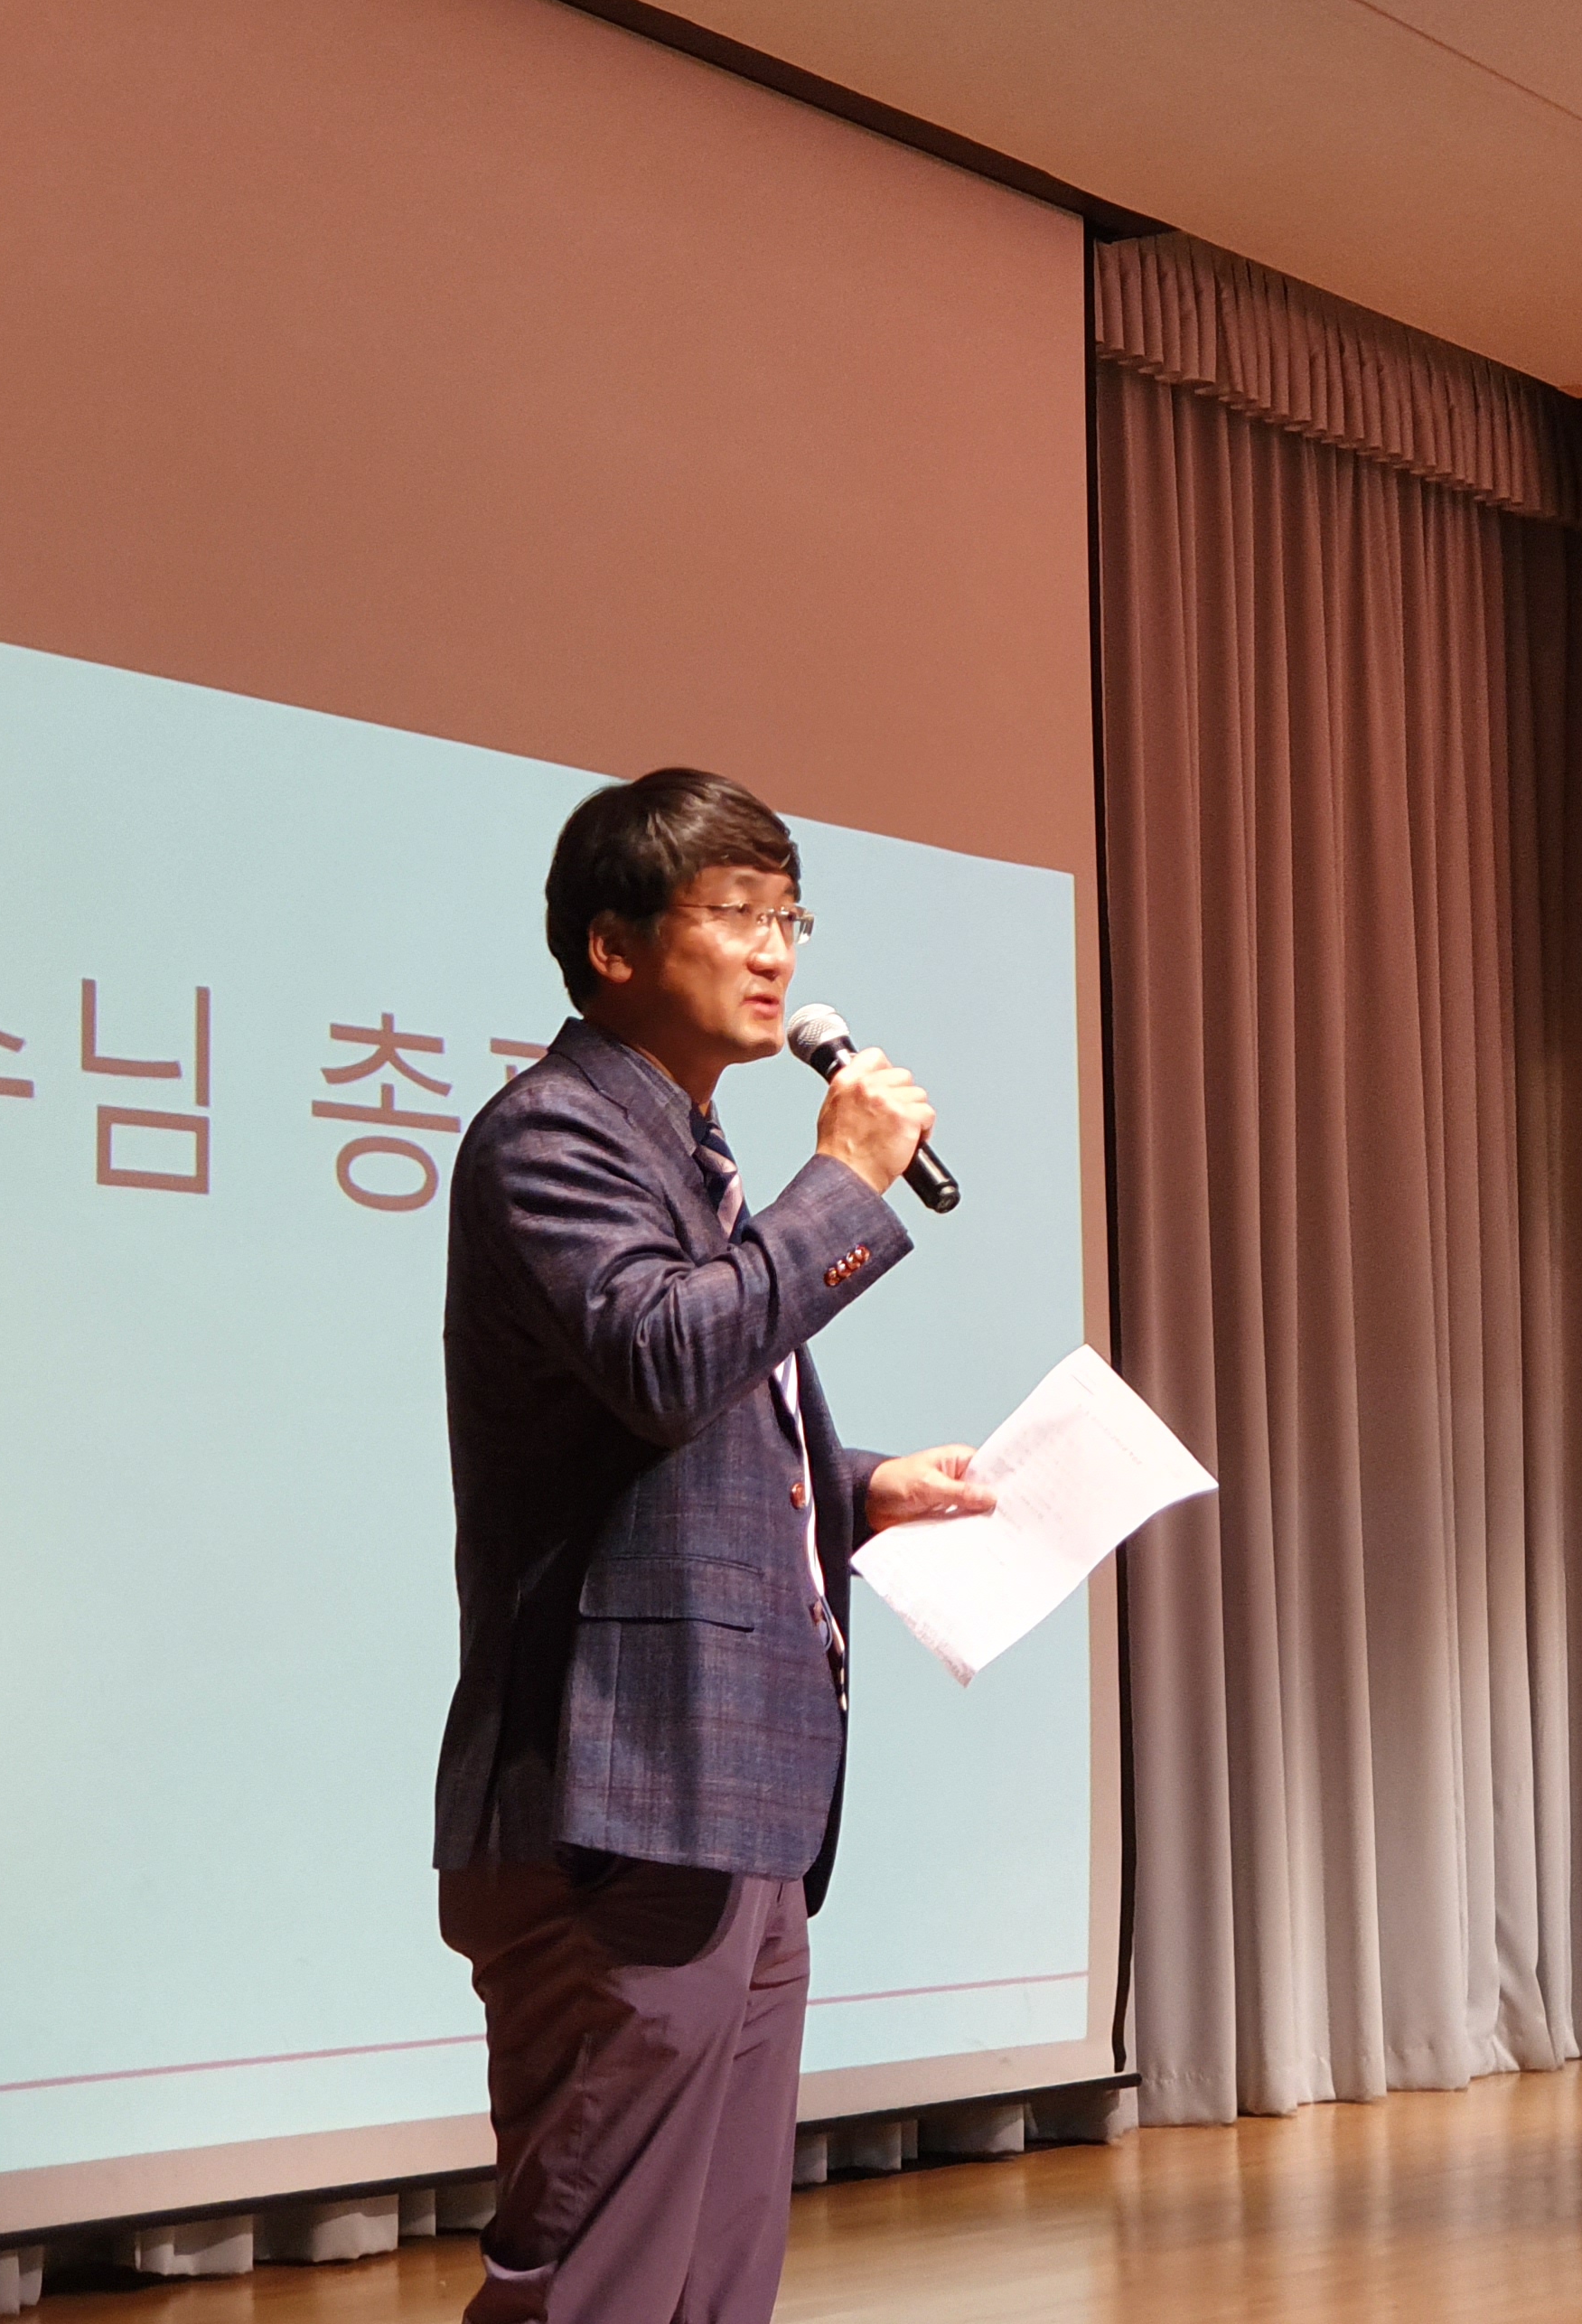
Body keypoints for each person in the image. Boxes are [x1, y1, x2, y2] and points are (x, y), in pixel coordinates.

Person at [431, 765, 992, 2324]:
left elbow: (680, 1433)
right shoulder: (550, 1136)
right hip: (621, 1790)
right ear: (612, 945)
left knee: (713, 2281)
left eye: (789, 917)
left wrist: (858, 1486)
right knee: (603, 2275)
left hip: (733, 1794)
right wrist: (849, 1181)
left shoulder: (688, 1157)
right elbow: (666, 1357)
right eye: (734, 912)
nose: (775, 952)